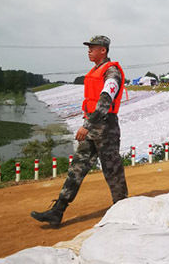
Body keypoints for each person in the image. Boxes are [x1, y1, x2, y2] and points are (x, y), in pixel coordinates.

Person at [31, 35, 128, 227]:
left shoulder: (112, 72)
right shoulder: (95, 70)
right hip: (93, 126)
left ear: (103, 50)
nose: (89, 50)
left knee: (112, 170)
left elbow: (105, 100)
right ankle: (58, 210)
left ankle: (124, 210)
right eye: (89, 48)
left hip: (105, 128)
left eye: (93, 47)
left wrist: (87, 125)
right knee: (77, 167)